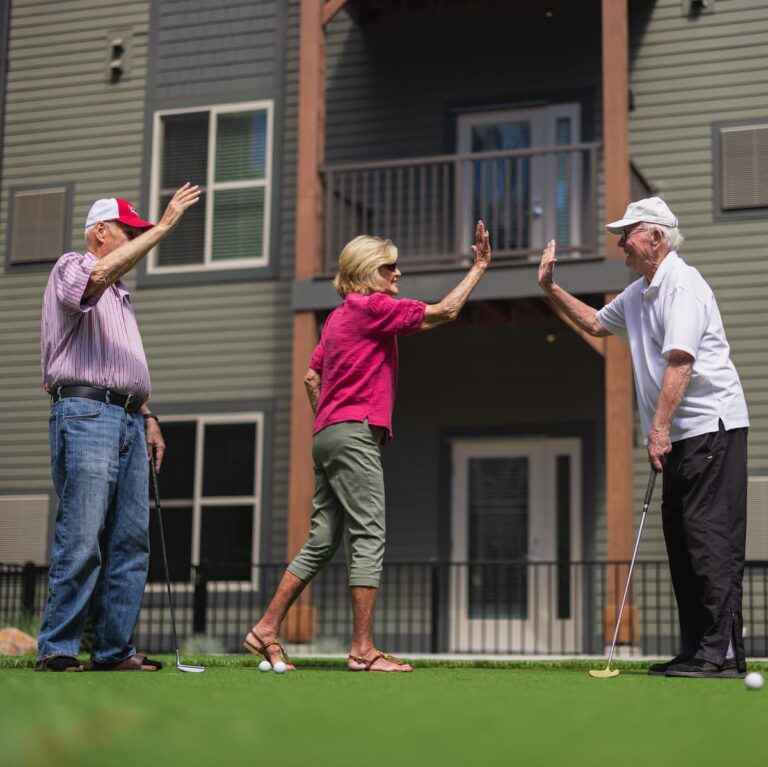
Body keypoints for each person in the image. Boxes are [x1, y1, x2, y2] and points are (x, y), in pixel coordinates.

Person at [244, 222, 492, 672]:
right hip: (353, 434)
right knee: (369, 534)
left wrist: (328, 421)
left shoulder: (338, 317)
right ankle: (362, 651)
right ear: (366, 273)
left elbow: (311, 376)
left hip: (326, 436)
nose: (397, 274)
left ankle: (265, 628)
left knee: (321, 540)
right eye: (388, 267)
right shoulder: (373, 307)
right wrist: (479, 267)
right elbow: (447, 312)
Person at [537, 197, 749, 679]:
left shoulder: (683, 285)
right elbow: (594, 322)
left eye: (627, 233)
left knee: (708, 539)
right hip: (678, 435)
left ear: (655, 236)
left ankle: (722, 654)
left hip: (710, 428)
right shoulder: (640, 292)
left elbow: (682, 361)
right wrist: (550, 288)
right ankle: (697, 649)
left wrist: (656, 430)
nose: (619, 243)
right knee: (680, 539)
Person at [36, 183, 201, 672]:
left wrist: (147, 416)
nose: (138, 241)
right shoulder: (73, 265)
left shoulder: (123, 297)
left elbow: (125, 371)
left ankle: (114, 651)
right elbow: (97, 276)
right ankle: (59, 649)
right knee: (83, 537)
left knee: (131, 541)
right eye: (130, 232)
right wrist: (168, 225)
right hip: (86, 414)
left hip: (127, 416)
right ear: (100, 231)